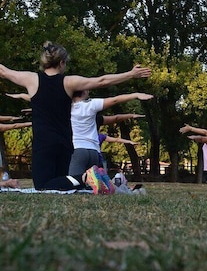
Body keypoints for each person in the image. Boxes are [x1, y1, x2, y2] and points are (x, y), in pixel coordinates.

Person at [0, 40, 151, 193]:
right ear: (62, 63)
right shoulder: (69, 82)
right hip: (65, 142)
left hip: (44, 142)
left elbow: (4, 72)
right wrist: (131, 74)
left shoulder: (31, 79)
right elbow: (102, 81)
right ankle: (95, 180)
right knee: (62, 184)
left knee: (43, 185)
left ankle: (86, 177)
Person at [69, 90, 153, 175]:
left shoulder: (64, 108)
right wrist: (135, 95)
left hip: (77, 149)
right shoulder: (91, 107)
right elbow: (115, 105)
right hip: (94, 152)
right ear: (84, 92)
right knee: (92, 185)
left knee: (74, 181)